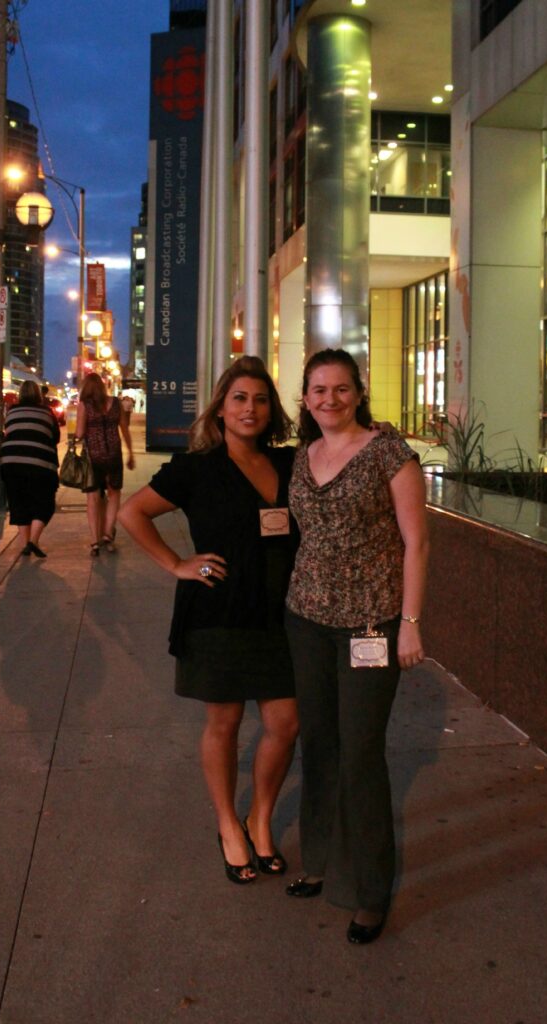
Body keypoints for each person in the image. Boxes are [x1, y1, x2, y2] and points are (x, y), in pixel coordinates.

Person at [118, 356, 300, 885]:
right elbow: (133, 513)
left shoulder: (289, 465)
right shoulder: (195, 468)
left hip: (279, 613)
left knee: (285, 724)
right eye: (240, 398)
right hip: (218, 609)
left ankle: (260, 817)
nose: (250, 408)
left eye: (261, 400)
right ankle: (227, 824)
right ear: (221, 408)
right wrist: (177, 564)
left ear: (271, 410)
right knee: (224, 723)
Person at [283, 348, 429, 946]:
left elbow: (417, 544)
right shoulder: (303, 455)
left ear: (358, 392)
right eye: (319, 390)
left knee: (361, 753)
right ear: (306, 397)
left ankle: (370, 891)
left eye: (340, 389)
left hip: (370, 623)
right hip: (307, 618)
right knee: (318, 743)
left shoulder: (390, 454)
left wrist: (411, 623)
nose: (329, 400)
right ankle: (318, 860)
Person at [75, 373, 135, 556]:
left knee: (92, 499)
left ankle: (94, 541)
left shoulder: (85, 405)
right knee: (114, 494)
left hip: (93, 457)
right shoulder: (116, 403)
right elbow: (124, 429)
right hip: (113, 456)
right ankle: (108, 533)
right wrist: (131, 453)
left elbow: (79, 433)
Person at [0, 380, 61, 558]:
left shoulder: (12, 411)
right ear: (38, 395)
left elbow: (9, 430)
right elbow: (55, 437)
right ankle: (33, 541)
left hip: (11, 462)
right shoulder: (47, 412)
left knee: (19, 502)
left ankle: (26, 544)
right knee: (45, 502)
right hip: (40, 463)